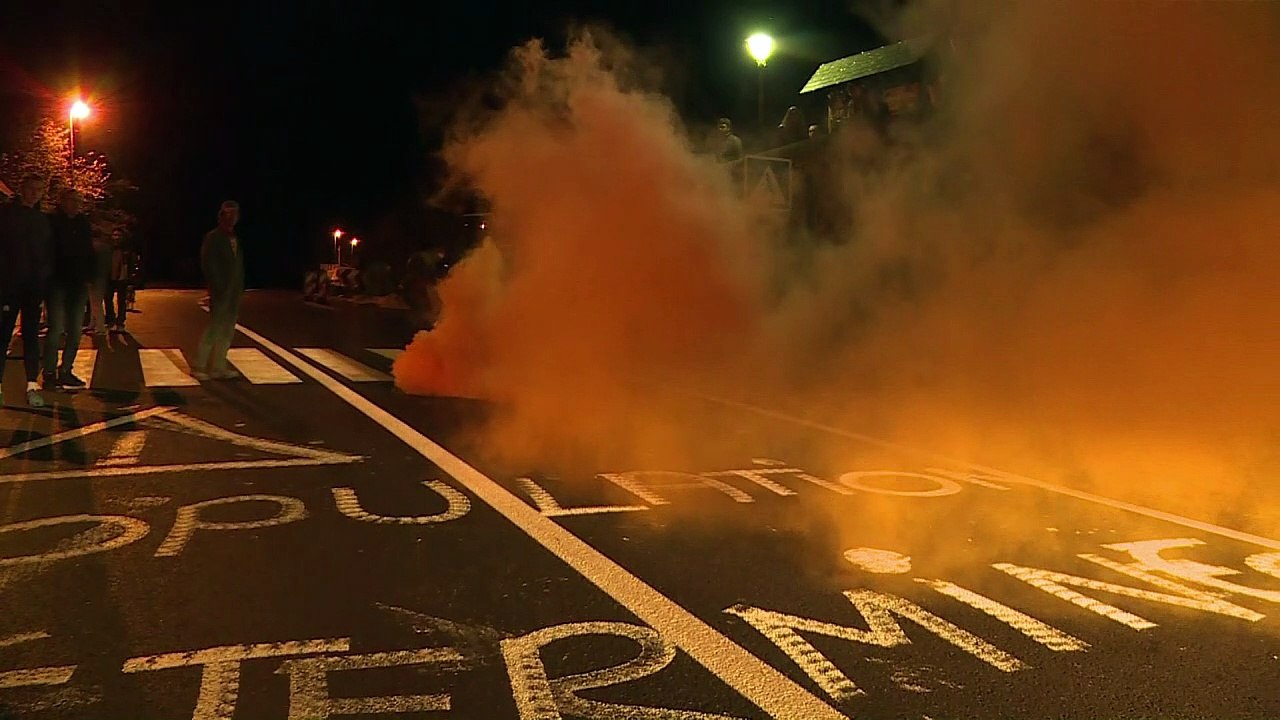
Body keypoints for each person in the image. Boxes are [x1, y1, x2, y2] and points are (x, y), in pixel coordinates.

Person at [0, 175, 53, 407]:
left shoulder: (43, 220)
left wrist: (43, 280)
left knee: (31, 336)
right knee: (2, 335)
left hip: (33, 288)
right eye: (31, 189)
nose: (35, 193)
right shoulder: (6, 214)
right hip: (8, 286)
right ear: (22, 189)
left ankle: (32, 385)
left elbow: (47, 253)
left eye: (39, 189)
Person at [43, 189, 95, 389]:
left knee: (75, 330)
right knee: (56, 329)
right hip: (57, 281)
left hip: (77, 283)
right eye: (72, 200)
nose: (75, 204)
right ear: (62, 201)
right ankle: (49, 372)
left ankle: (66, 370)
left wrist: (89, 277)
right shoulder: (53, 221)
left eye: (78, 201)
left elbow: (88, 250)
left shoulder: (82, 223)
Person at [192, 200, 245, 380]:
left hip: (233, 292)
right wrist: (217, 287)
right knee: (215, 327)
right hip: (221, 291)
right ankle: (199, 365)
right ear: (221, 216)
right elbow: (209, 264)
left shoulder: (234, 238)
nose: (232, 218)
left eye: (235, 215)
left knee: (227, 330)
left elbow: (237, 265)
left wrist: (238, 287)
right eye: (228, 214)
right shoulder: (213, 237)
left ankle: (218, 366)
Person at [104, 229, 132, 333]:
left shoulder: (126, 250)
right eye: (115, 235)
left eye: (119, 235)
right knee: (108, 300)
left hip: (122, 278)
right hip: (109, 277)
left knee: (121, 301)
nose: (116, 237)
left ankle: (120, 323)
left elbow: (130, 264)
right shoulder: (109, 249)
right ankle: (111, 321)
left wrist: (130, 278)